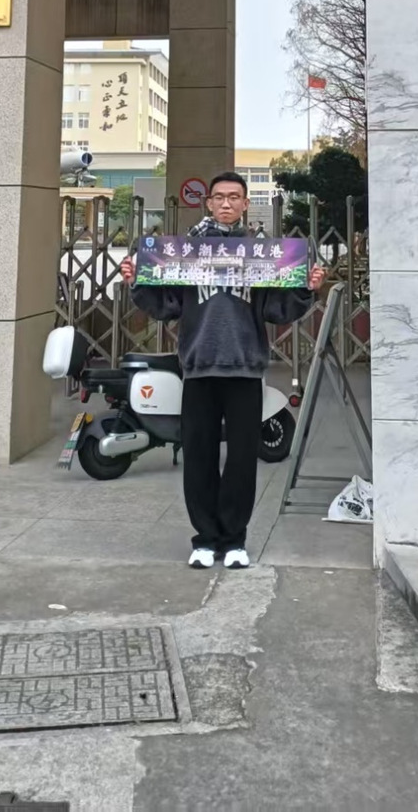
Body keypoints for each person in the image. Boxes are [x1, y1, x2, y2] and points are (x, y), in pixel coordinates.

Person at [120, 171, 324, 570]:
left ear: (246, 204)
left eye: (234, 197)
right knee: (199, 456)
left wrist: (307, 289)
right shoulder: (185, 254)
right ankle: (205, 539)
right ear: (209, 203)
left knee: (242, 460)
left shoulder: (261, 254)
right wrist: (137, 283)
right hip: (198, 369)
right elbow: (167, 306)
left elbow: (276, 309)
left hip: (245, 370)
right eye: (219, 197)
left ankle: (234, 540)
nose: (226, 203)